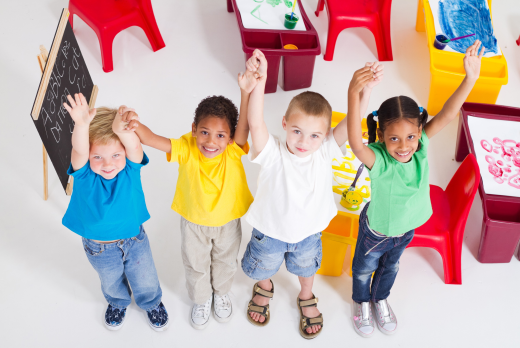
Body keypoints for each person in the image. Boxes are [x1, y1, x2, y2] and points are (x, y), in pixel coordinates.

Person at [346, 40, 484, 337]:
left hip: (405, 230)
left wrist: (470, 79)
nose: (405, 146)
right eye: (394, 138)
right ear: (382, 136)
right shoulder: (378, 159)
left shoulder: (420, 148)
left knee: (390, 269)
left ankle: (379, 298)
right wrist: (352, 92)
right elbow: (356, 143)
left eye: (410, 136)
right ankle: (361, 302)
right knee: (362, 270)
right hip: (376, 232)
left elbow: (447, 114)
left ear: (419, 132)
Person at [241, 49, 375, 339]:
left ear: (325, 134)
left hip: (308, 234)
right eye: (298, 131)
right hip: (269, 232)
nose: (304, 141)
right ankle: (265, 287)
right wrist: (260, 81)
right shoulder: (272, 152)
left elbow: (355, 119)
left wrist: (365, 92)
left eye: (315, 135)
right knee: (262, 266)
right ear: (285, 124)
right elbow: (255, 123)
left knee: (306, 268)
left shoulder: (325, 151)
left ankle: (306, 295)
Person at [125, 71, 258, 329]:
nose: (211, 141)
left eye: (220, 135)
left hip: (228, 222)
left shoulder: (232, 150)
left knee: (225, 262)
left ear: (230, 138)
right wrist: (135, 125)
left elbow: (244, 126)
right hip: (193, 222)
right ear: (194, 129)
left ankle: (221, 293)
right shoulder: (187, 147)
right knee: (196, 264)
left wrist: (245, 91)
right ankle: (201, 298)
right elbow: (153, 139)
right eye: (205, 132)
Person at [62, 94, 169, 331]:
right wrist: (81, 125)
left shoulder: (130, 168)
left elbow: (133, 146)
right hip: (99, 249)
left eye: (115, 155)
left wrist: (122, 130)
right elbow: (79, 150)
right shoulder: (85, 175)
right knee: (111, 281)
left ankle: (151, 303)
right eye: (97, 156)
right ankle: (118, 303)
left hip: (134, 240)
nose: (107, 164)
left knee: (145, 277)